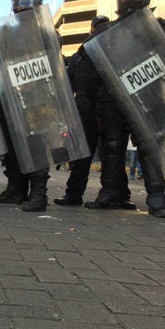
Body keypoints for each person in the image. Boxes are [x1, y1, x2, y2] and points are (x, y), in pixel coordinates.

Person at [84, 0, 165, 217]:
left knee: (149, 146)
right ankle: (109, 193)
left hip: (146, 96)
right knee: (112, 147)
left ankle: (156, 198)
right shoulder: (107, 30)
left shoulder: (157, 25)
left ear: (145, 0)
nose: (130, 3)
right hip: (112, 99)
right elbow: (88, 59)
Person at [0, 0, 51, 212]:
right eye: (19, 11)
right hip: (10, 100)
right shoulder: (7, 34)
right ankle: (15, 190)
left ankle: (38, 194)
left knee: (36, 147)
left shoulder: (47, 33)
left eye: (27, 11)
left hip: (36, 101)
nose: (23, 14)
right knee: (12, 148)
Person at [53, 15, 116, 206]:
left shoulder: (83, 55)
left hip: (99, 109)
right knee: (108, 153)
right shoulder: (83, 55)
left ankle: (81, 193)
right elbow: (68, 83)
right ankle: (110, 194)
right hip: (95, 109)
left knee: (106, 153)